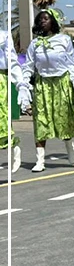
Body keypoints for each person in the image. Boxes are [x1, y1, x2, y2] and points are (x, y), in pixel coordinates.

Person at [19, 8, 74, 172]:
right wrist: (24, 88)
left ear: (54, 22)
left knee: (62, 119)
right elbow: (28, 67)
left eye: (46, 18)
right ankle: (40, 160)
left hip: (61, 83)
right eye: (40, 19)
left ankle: (69, 147)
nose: (42, 21)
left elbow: (71, 64)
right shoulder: (35, 43)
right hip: (43, 85)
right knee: (41, 121)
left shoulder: (64, 40)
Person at [1, 27, 24, 174]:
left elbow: (12, 61)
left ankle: (13, 148)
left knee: (1, 122)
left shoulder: (3, 36)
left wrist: (20, 84)